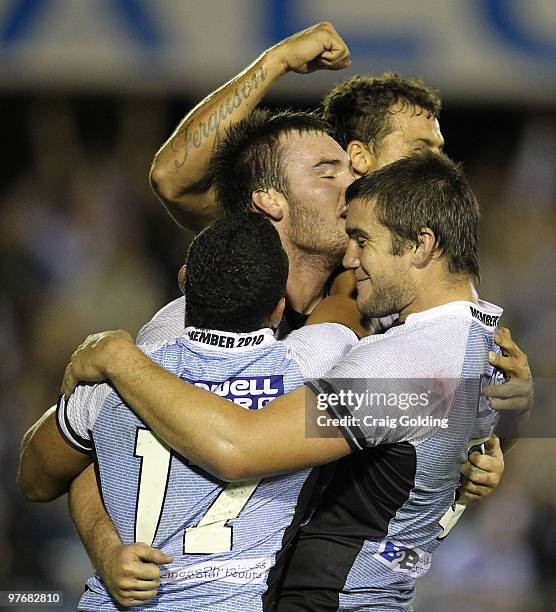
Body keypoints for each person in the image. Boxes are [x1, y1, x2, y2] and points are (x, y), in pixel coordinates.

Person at [66, 21, 531, 603]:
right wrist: (276, 62)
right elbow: (81, 453)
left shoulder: (394, 296)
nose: (444, 165)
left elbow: (461, 398)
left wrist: (485, 441)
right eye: (423, 150)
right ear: (358, 160)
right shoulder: (215, 295)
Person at [18, 213, 358, 610]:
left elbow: (35, 479)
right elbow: (344, 308)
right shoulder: (313, 363)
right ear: (280, 308)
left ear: (184, 283)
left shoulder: (112, 378)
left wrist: (105, 545)